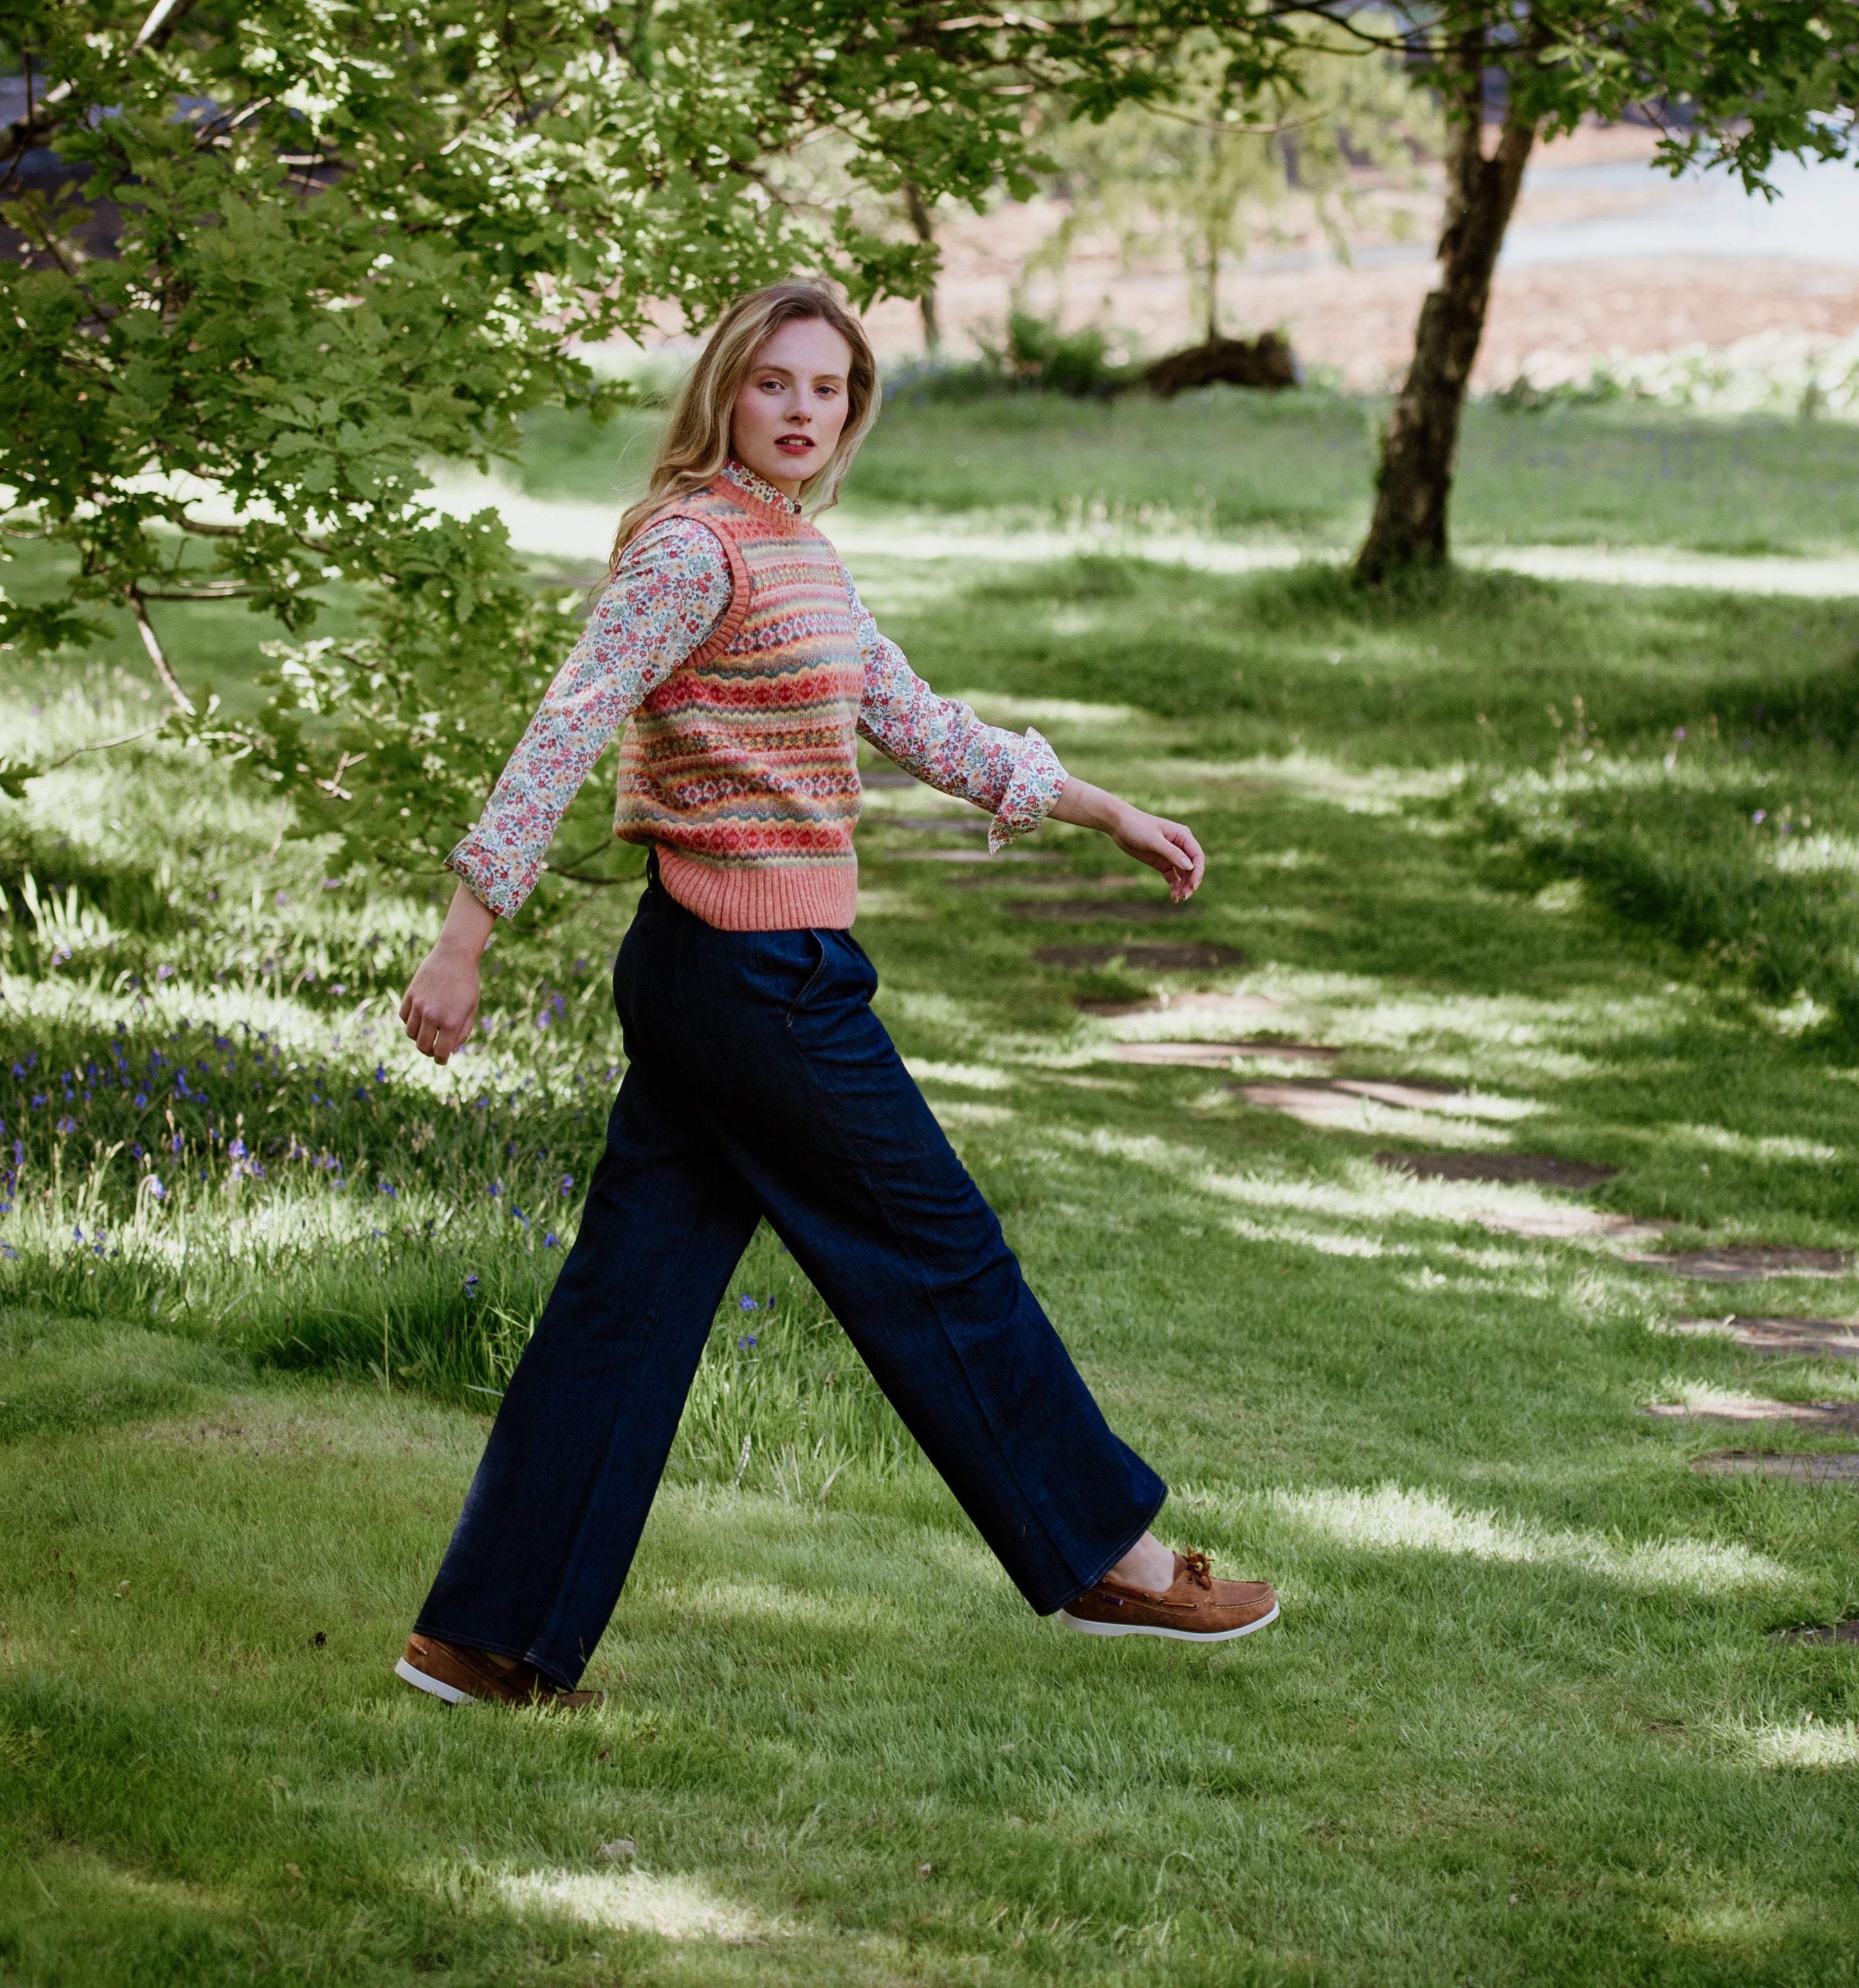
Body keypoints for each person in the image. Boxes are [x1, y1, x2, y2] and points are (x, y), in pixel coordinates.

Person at [387, 280, 1276, 1709]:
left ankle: (484, 1638)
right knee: (940, 1252)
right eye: (775, 384)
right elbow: (566, 728)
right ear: (724, 393)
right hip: (750, 980)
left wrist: (1100, 807)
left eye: (830, 389)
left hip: (733, 972)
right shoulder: (690, 550)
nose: (804, 412)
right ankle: (1108, 1549)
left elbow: (914, 718)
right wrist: (463, 937)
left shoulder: (800, 551)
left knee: (631, 1300)